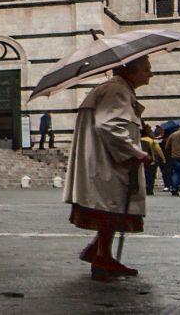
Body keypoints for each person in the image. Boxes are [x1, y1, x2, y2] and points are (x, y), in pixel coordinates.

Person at [64, 56, 154, 279]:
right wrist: (136, 152)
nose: (150, 74)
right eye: (146, 69)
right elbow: (109, 125)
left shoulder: (117, 89)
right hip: (108, 161)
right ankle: (103, 258)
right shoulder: (116, 90)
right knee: (111, 206)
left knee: (110, 206)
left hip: (106, 159)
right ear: (130, 71)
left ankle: (99, 251)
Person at [140, 125, 165, 195]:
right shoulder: (152, 141)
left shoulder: (138, 140)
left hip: (141, 160)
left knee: (142, 175)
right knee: (151, 176)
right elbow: (159, 150)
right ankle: (149, 190)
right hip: (151, 161)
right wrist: (163, 159)